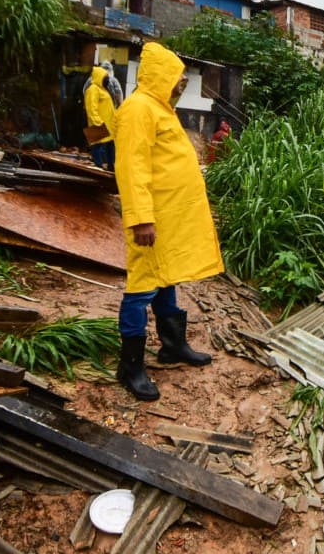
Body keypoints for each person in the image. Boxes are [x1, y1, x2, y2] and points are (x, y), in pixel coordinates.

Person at [112, 42, 223, 401]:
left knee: (167, 277)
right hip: (152, 220)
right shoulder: (138, 110)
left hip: (169, 218)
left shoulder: (159, 108)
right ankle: (130, 366)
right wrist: (141, 219)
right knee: (142, 286)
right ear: (161, 75)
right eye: (177, 77)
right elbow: (131, 169)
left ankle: (173, 347)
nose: (181, 84)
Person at [84, 66, 116, 170]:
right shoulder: (93, 89)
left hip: (108, 124)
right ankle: (98, 166)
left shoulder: (103, 89)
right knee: (97, 145)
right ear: (99, 77)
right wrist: (97, 121)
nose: (107, 79)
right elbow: (91, 108)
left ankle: (111, 166)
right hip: (98, 123)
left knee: (110, 145)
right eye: (105, 77)